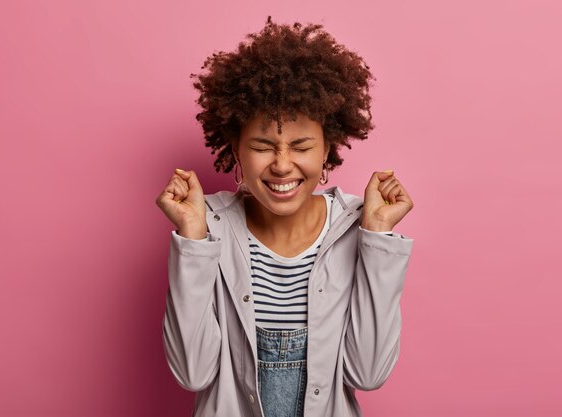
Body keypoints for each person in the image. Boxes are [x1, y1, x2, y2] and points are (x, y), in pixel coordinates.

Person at [156, 16, 415, 417]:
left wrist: (378, 237)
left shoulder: (356, 227)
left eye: (301, 146)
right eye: (262, 145)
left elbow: (366, 373)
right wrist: (192, 240)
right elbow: (192, 374)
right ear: (236, 149)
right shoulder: (210, 228)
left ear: (328, 149)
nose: (282, 165)